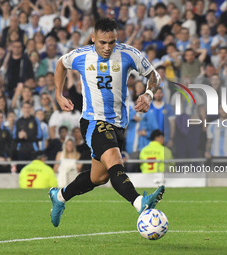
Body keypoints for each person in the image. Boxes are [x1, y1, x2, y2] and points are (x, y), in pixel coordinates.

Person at [49, 18, 165, 228]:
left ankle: (59, 197)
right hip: (94, 121)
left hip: (119, 124)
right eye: (102, 42)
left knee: (99, 177)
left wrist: (148, 94)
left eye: (111, 42)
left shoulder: (128, 54)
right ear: (93, 38)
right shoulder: (82, 55)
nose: (107, 47)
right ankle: (140, 203)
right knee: (114, 160)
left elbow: (154, 76)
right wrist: (58, 94)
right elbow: (61, 64)